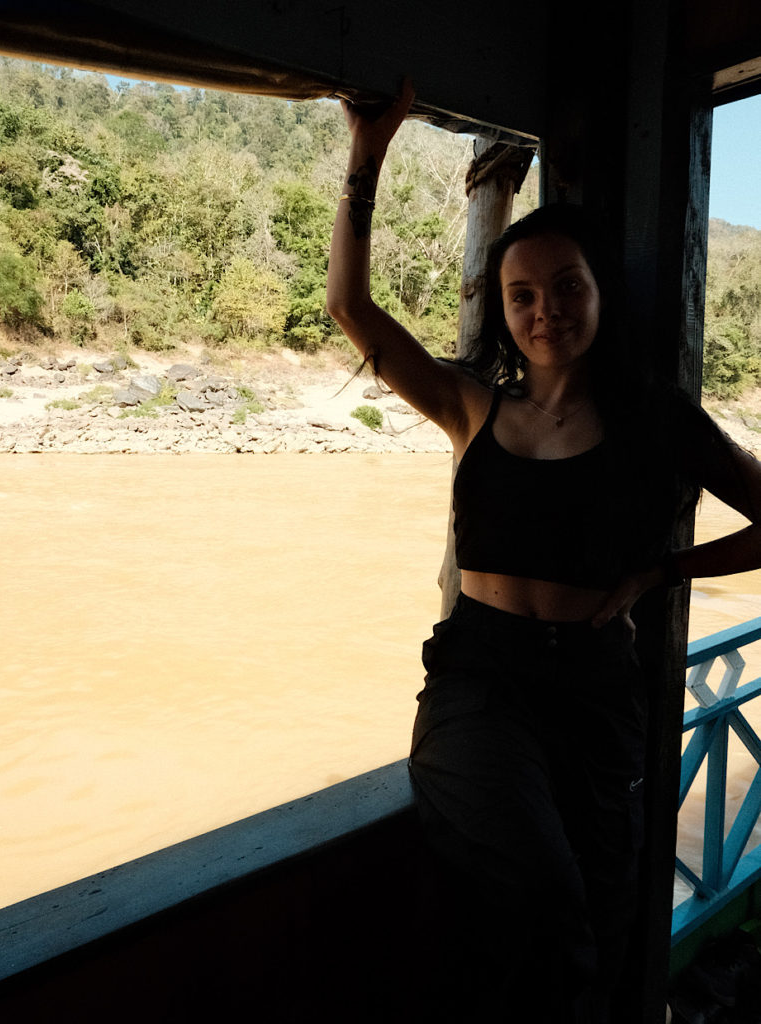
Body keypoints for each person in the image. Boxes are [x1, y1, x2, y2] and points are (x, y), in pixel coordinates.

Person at [326, 81, 761, 1023]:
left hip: (599, 690)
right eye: (522, 294)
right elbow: (353, 308)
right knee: (543, 900)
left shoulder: (658, 424)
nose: (544, 311)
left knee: (599, 917)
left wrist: (666, 571)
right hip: (480, 679)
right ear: (502, 306)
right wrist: (368, 155)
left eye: (568, 288)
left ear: (600, 292)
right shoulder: (473, 405)